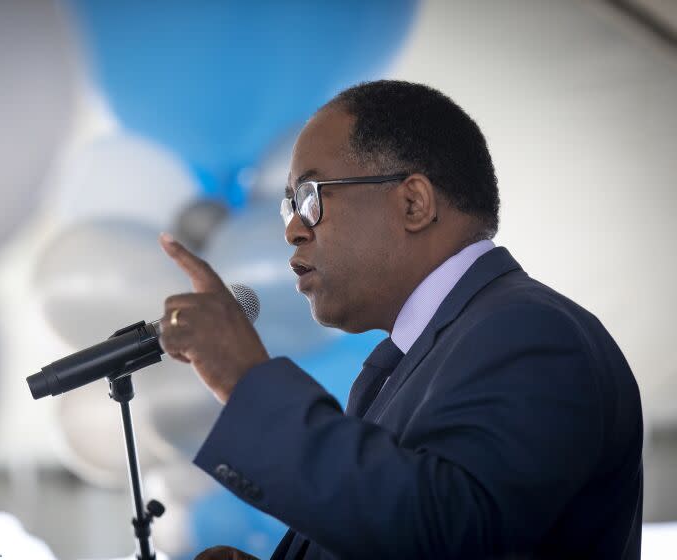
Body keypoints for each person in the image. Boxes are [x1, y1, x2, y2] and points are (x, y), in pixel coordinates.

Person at [157, 80, 643, 559]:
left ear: (413, 203)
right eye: (291, 204)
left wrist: (246, 383)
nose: (292, 228)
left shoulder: (530, 332)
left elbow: (450, 536)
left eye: (310, 195)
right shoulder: (411, 361)